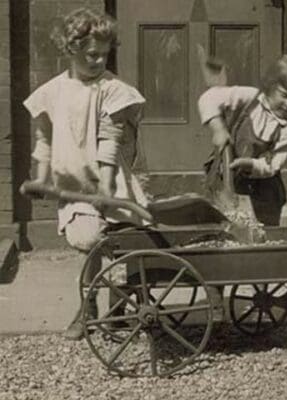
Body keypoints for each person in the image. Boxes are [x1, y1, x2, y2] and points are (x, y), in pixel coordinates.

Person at [23, 8, 148, 340]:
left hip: (111, 183)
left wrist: (107, 188)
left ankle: (119, 308)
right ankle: (88, 303)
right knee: (90, 240)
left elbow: (110, 140)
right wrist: (40, 175)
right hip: (75, 184)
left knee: (126, 243)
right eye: (92, 54)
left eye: (104, 55)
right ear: (71, 48)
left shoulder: (111, 89)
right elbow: (43, 138)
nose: (98, 62)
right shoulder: (52, 92)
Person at [197, 54, 287, 311]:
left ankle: (263, 291)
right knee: (220, 236)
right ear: (271, 84)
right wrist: (219, 128)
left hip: (262, 189)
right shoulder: (247, 97)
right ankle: (214, 293)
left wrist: (251, 165)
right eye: (284, 94)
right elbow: (208, 98)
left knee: (262, 239)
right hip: (226, 183)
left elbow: (274, 165)